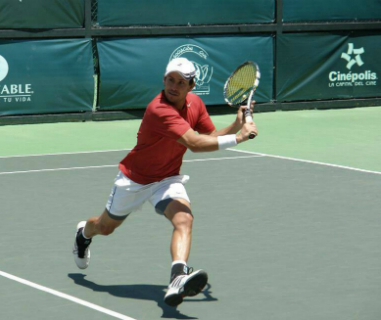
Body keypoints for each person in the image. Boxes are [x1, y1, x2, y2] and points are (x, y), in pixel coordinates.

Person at [72, 57, 258, 307]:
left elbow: (207, 136)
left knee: (185, 219)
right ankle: (83, 234)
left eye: (181, 82)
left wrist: (235, 125)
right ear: (164, 79)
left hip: (167, 178)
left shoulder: (195, 104)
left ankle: (177, 277)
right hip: (134, 180)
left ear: (191, 85)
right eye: (170, 79)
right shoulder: (159, 109)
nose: (173, 85)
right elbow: (194, 145)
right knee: (105, 227)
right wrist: (239, 137)